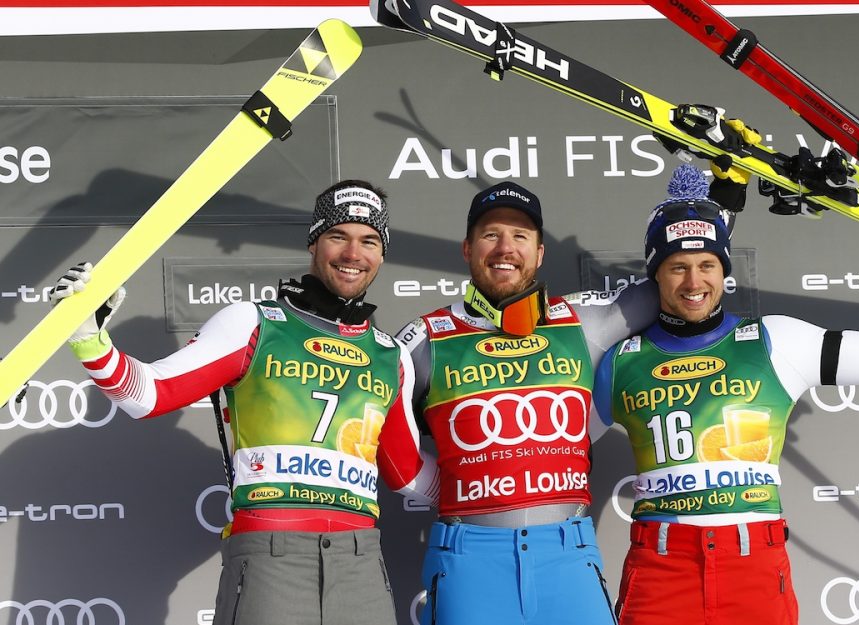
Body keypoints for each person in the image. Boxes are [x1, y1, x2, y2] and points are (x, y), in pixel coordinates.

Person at [592, 163, 859, 625]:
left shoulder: (778, 341)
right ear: (656, 275)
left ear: (723, 270)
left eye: (708, 265)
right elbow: (550, 453)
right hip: (661, 570)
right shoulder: (620, 363)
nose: (693, 282)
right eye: (677, 267)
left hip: (754, 567)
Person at [53, 180, 437, 625]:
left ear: (382, 254)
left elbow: (407, 472)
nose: (354, 254)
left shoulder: (389, 356)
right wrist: (90, 342)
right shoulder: (254, 322)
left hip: (360, 563)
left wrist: (507, 478)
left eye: (369, 241)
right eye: (339, 236)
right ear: (314, 242)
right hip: (271, 556)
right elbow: (152, 395)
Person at [394, 174, 746, 625]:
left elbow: (680, 276)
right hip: (468, 558)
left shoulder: (581, 321)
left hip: (567, 554)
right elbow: (376, 432)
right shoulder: (424, 339)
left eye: (520, 236)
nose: (506, 248)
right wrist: (440, 488)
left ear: (539, 252)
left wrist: (719, 208)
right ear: (467, 249)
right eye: (491, 235)